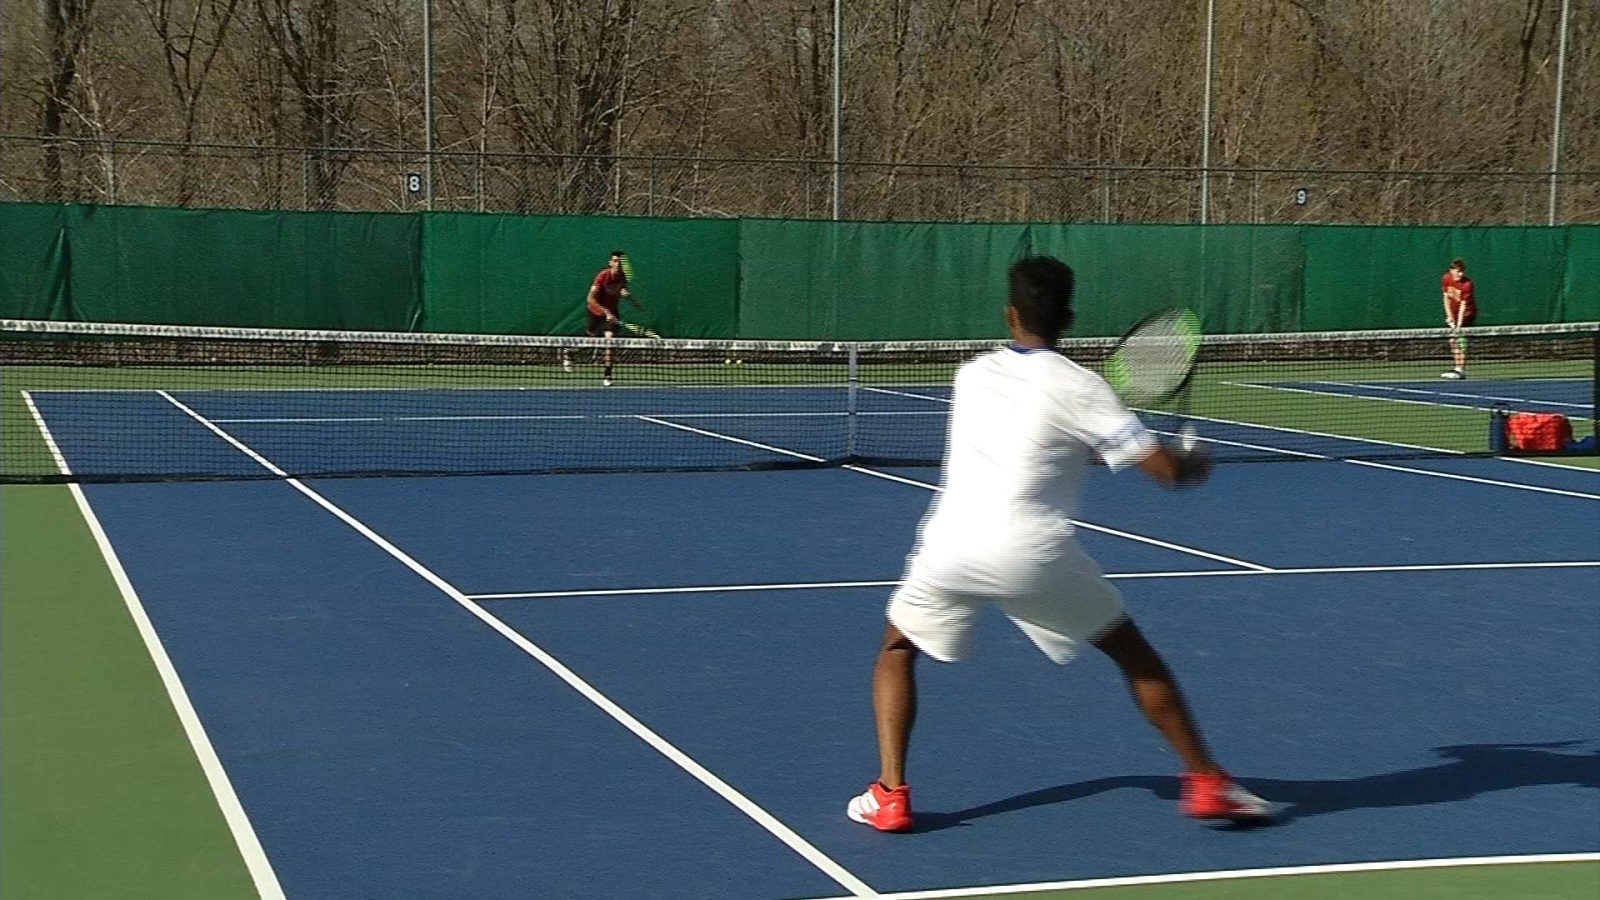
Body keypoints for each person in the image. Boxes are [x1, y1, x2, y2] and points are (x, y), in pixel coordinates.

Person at [846, 256, 1277, 834]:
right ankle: (1206, 782)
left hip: (950, 547)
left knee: (898, 649)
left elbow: (1029, 439)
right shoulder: (1083, 388)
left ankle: (890, 795)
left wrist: (1095, 440)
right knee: (1135, 658)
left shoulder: (971, 375)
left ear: (1010, 313)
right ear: (1069, 317)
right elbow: (1164, 472)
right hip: (1032, 554)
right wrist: (1190, 463)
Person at [562, 250, 642, 386]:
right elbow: (590, 299)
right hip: (596, 312)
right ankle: (570, 352)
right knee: (590, 341)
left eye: (621, 261)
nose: (618, 264)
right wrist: (606, 312)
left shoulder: (622, 276)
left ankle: (607, 374)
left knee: (609, 342)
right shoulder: (602, 276)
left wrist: (631, 299)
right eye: (616, 261)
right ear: (610, 263)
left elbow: (621, 288)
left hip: (612, 312)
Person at [1439, 258, 1475, 380]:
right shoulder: (1446, 278)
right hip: (1453, 315)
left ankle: (1461, 370)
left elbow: (1463, 306)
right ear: (1452, 270)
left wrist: (1459, 324)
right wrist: (1449, 316)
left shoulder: (1467, 284)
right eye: (1458, 271)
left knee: (1461, 342)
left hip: (1467, 315)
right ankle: (1457, 368)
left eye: (1462, 271)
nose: (1461, 274)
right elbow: (1446, 298)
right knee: (1453, 341)